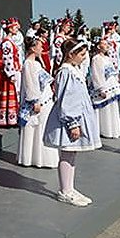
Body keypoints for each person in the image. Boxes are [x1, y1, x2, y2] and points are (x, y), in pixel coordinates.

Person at [44, 39, 100, 207]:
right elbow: (68, 99)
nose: (85, 57)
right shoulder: (66, 72)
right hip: (68, 119)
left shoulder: (74, 70)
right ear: (70, 54)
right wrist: (72, 123)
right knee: (67, 153)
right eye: (82, 54)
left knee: (71, 153)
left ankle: (69, 187)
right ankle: (65, 191)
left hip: (76, 115)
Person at [17, 36, 59, 168]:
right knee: (37, 128)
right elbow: (30, 85)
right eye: (40, 46)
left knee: (42, 128)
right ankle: (33, 158)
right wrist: (34, 101)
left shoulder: (36, 63)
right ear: (32, 48)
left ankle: (42, 158)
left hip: (45, 100)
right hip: (38, 102)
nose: (42, 49)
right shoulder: (28, 64)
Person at [89, 37, 120, 139]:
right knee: (105, 111)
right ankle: (106, 130)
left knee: (113, 108)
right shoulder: (96, 59)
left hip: (111, 85)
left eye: (107, 43)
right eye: (104, 44)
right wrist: (101, 88)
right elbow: (97, 74)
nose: (107, 45)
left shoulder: (107, 58)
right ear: (99, 46)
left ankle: (114, 130)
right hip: (104, 87)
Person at [0, 18, 22, 127]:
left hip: (15, 70)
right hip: (11, 72)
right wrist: (11, 74)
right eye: (16, 27)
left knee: (15, 93)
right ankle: (8, 118)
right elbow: (7, 59)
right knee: (10, 93)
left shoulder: (10, 41)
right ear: (10, 28)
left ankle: (12, 117)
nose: (18, 28)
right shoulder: (7, 43)